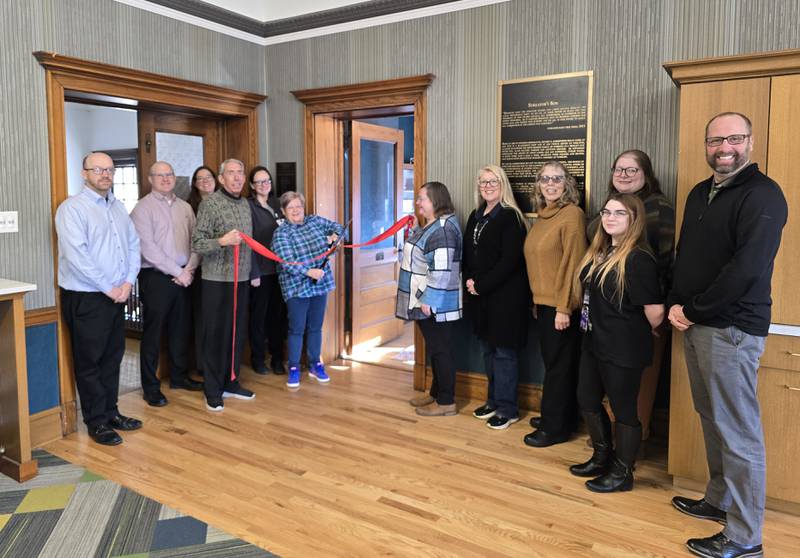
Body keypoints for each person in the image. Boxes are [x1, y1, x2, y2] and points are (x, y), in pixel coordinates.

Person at [668, 112, 787, 558]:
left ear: (750, 143)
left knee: (738, 433)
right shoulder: (700, 192)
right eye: (715, 140)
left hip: (732, 328)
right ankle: (718, 500)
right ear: (706, 145)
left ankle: (744, 536)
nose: (724, 148)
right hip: (697, 324)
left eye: (734, 139)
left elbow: (746, 269)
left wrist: (692, 309)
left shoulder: (764, 195)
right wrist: (677, 304)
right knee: (712, 418)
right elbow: (686, 254)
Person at [571, 193, 663, 493]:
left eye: (620, 213)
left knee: (623, 410)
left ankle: (623, 472)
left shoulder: (639, 258)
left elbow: (655, 312)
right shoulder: (600, 251)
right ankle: (602, 457)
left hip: (623, 347)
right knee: (587, 398)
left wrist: (635, 331)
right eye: (607, 212)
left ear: (634, 220)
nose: (610, 218)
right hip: (593, 340)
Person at [55, 151, 142, 446]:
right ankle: (96, 422)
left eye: (110, 170)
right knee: (89, 361)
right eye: (98, 169)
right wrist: (109, 288)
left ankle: (111, 412)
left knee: (113, 357)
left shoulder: (118, 207)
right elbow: (77, 256)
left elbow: (133, 245)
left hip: (118, 294)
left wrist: (128, 282)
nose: (105, 174)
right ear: (84, 173)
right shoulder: (72, 209)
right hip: (88, 297)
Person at [587, 150, 675, 441]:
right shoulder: (612, 204)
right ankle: (607, 448)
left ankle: (630, 454)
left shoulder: (656, 207)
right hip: (608, 313)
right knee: (602, 392)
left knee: (633, 399)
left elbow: (664, 261)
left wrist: (654, 315)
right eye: (618, 169)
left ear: (646, 174)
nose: (623, 175)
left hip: (640, 313)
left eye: (631, 170)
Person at [522, 161, 587, 447]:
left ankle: (554, 428)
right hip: (545, 304)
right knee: (555, 365)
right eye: (545, 179)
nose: (550, 184)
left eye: (557, 179)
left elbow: (574, 264)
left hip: (561, 307)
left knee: (558, 369)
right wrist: (538, 302)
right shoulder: (543, 216)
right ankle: (562, 418)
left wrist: (564, 307)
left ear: (567, 184)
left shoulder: (572, 215)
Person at [130, 161, 203, 407]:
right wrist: (177, 272)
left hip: (185, 275)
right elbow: (147, 248)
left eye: (169, 174)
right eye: (159, 175)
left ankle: (179, 377)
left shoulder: (185, 207)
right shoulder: (142, 208)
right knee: (153, 334)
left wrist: (189, 269)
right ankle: (151, 387)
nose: (165, 179)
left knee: (180, 329)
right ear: (150, 179)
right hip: (156, 277)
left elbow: (197, 240)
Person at [462, 165, 529, 429]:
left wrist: (480, 285)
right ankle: (492, 401)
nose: (487, 186)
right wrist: (470, 281)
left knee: (504, 354)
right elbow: (468, 254)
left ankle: (507, 409)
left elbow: (509, 262)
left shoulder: (511, 217)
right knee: (488, 351)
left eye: (493, 181)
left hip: (505, 299)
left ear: (503, 185)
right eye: (483, 182)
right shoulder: (476, 215)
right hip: (480, 297)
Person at [191, 158, 256, 412]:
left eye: (240, 172)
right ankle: (213, 389)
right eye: (231, 173)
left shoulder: (245, 203)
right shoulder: (210, 204)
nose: (237, 177)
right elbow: (197, 243)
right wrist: (221, 241)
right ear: (221, 178)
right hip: (216, 282)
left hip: (242, 279)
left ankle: (231, 382)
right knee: (215, 336)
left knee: (237, 333)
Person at [396, 182, 463, 417]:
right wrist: (416, 229)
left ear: (435, 200)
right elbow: (423, 252)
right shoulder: (434, 225)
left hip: (436, 303)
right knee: (435, 350)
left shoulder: (442, 229)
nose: (417, 203)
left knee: (441, 351)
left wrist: (430, 299)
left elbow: (441, 270)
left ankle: (446, 402)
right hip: (427, 299)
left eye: (421, 198)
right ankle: (436, 394)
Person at [271, 191, 345, 389]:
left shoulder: (315, 221)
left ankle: (315, 364)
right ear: (283, 211)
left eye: (299, 206)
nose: (296, 210)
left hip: (320, 284)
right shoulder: (281, 233)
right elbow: (286, 261)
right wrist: (308, 271)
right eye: (291, 207)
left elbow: (339, 228)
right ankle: (294, 367)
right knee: (296, 329)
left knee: (315, 327)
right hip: (296, 288)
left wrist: (335, 237)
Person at [247, 166, 287, 375]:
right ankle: (258, 359)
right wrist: (253, 272)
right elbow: (247, 242)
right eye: (259, 181)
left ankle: (277, 359)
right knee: (259, 318)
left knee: (277, 317)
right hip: (260, 272)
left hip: (280, 271)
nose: (264, 185)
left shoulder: (278, 204)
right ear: (252, 185)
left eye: (267, 181)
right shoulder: (248, 207)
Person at [187, 165, 218, 379]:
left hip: (222, 270)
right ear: (195, 184)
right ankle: (202, 364)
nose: (205, 181)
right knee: (202, 319)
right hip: (198, 270)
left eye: (209, 177)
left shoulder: (225, 203)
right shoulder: (190, 207)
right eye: (200, 178)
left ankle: (219, 363)